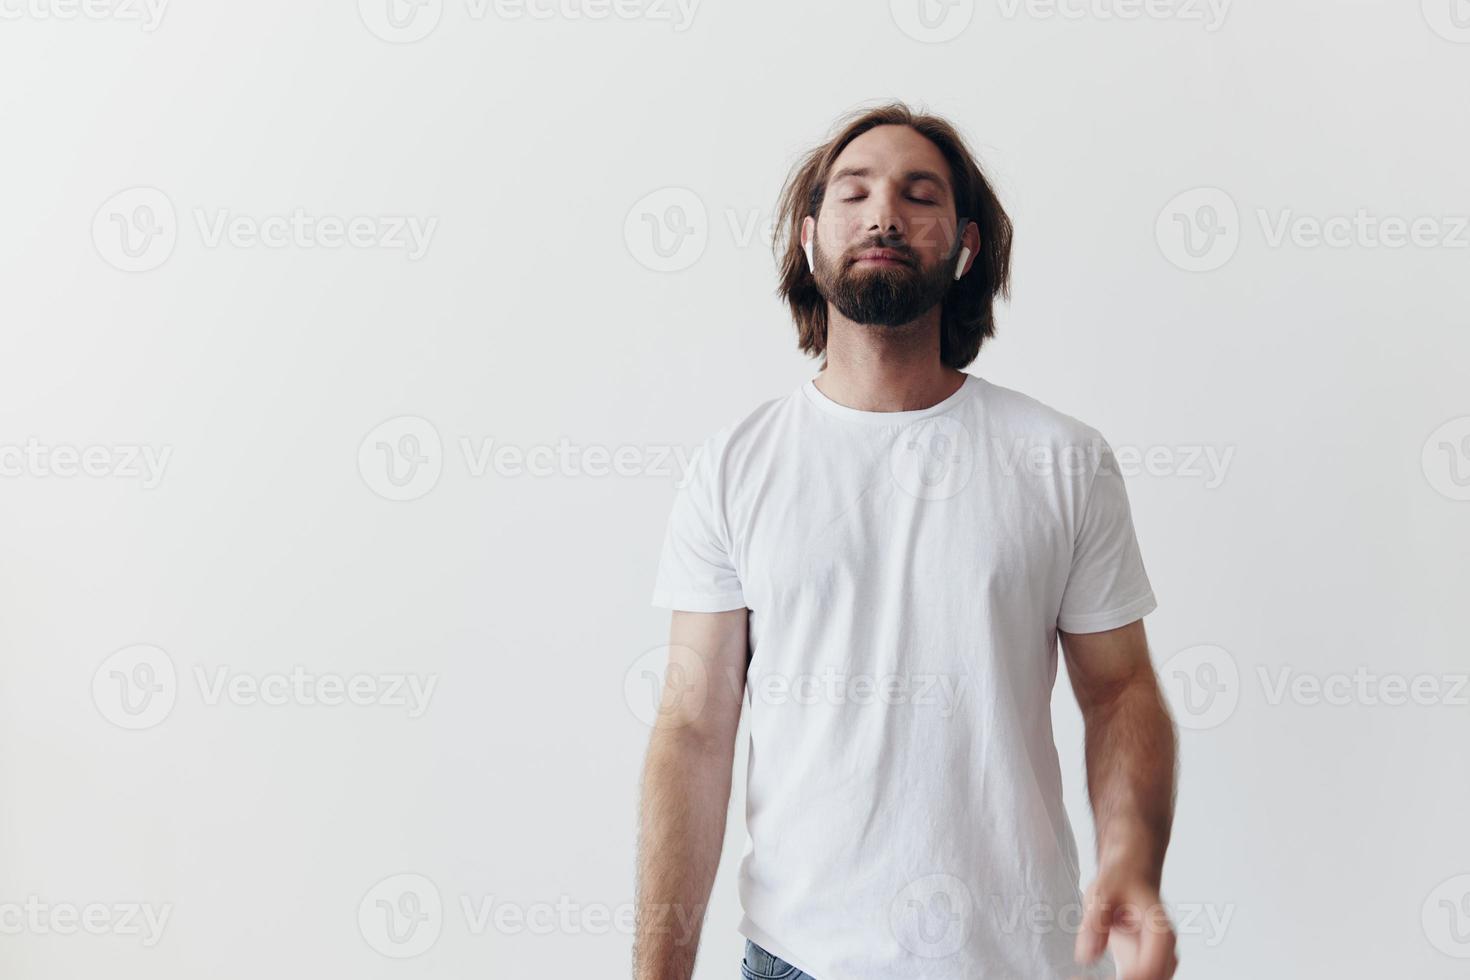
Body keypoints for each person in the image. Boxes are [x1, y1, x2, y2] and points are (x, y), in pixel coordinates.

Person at [634, 101, 1179, 980]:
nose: (884, 213)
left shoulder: (1061, 460)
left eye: (918, 194)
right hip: (799, 959)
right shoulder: (733, 466)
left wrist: (1132, 862)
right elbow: (695, 728)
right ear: (810, 242)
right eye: (854, 193)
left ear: (964, 247)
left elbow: (1119, 692)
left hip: (1022, 962)